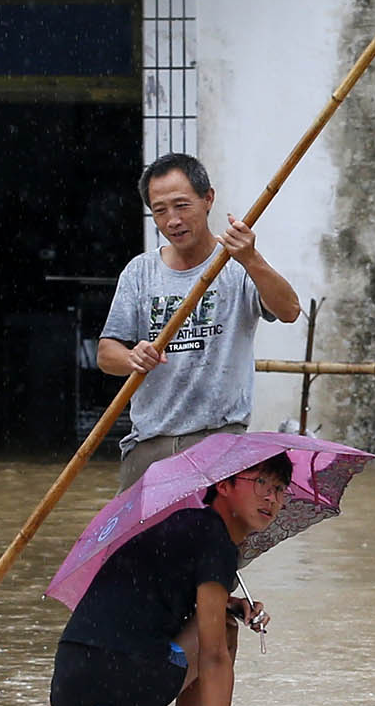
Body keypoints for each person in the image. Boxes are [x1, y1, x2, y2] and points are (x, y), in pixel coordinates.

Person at [39, 453, 287, 706]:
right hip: (136, 675)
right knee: (224, 632)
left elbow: (153, 593)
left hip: (76, 660)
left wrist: (230, 602)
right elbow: (214, 655)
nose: (271, 498)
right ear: (224, 485)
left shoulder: (180, 524)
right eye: (260, 482)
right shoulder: (218, 544)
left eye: (280, 488)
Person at [95, 153, 303, 487]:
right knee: (139, 539)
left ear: (208, 199)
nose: (172, 220)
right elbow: (107, 354)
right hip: (149, 445)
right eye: (160, 211)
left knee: (215, 537)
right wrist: (133, 358)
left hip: (219, 444)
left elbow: (290, 310)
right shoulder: (140, 272)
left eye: (182, 206)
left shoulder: (237, 267)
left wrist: (251, 258)